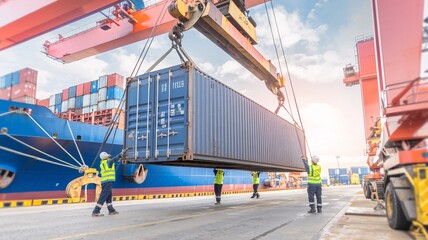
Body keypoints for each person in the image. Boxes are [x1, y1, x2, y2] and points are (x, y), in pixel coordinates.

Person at [92, 149, 125, 217]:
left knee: (108, 196)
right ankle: (96, 211)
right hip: (107, 182)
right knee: (103, 196)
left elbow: (115, 162)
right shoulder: (108, 162)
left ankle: (111, 210)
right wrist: (121, 154)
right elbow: (114, 159)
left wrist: (120, 158)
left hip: (105, 181)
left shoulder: (104, 163)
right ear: (106, 157)